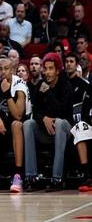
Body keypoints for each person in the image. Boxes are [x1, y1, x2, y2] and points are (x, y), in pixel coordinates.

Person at [23, 53, 73, 191]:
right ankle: (31, 177)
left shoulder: (65, 85)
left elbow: (63, 111)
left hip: (65, 130)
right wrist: (44, 118)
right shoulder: (41, 85)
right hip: (46, 130)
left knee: (60, 122)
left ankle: (57, 178)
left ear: (57, 70)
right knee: (28, 124)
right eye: (45, 69)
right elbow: (36, 111)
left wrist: (49, 93)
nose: (47, 72)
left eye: (51, 69)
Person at [0, 58, 31, 193]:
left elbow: (18, 115)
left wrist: (7, 93)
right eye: (1, 69)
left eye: (7, 69)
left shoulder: (20, 84)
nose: (3, 72)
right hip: (2, 126)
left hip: (20, 126)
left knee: (16, 124)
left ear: (13, 70)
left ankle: (18, 175)